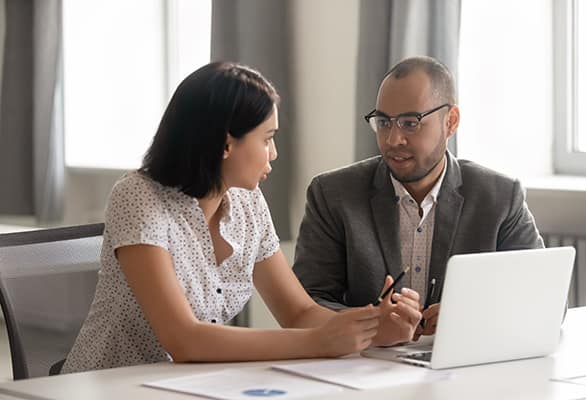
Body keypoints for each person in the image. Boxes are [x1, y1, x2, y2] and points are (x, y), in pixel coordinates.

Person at [61, 62, 395, 373]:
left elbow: (298, 312)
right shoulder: (138, 197)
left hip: (190, 385)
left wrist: (374, 326)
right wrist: (318, 342)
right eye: (267, 139)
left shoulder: (248, 201)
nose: (274, 153)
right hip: (109, 385)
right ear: (225, 144)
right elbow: (183, 339)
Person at [293, 56, 544, 346]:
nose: (393, 139)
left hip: (463, 367)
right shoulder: (333, 194)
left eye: (411, 123)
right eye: (384, 122)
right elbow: (308, 301)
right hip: (364, 369)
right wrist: (373, 324)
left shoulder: (499, 197)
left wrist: (472, 318)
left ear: (451, 122)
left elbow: (542, 301)